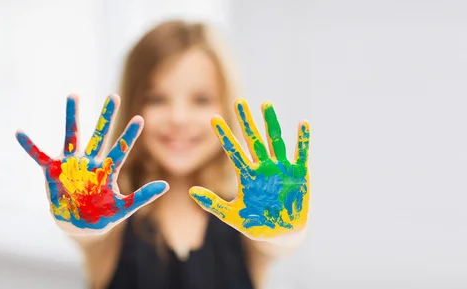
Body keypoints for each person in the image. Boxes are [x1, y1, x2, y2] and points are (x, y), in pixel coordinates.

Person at [16, 19, 311, 289]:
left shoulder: (251, 211)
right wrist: (80, 217)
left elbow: (278, 242)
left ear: (226, 104)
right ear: (134, 105)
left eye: (201, 99)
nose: (179, 118)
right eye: (157, 98)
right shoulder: (112, 212)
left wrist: (284, 228)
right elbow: (88, 234)